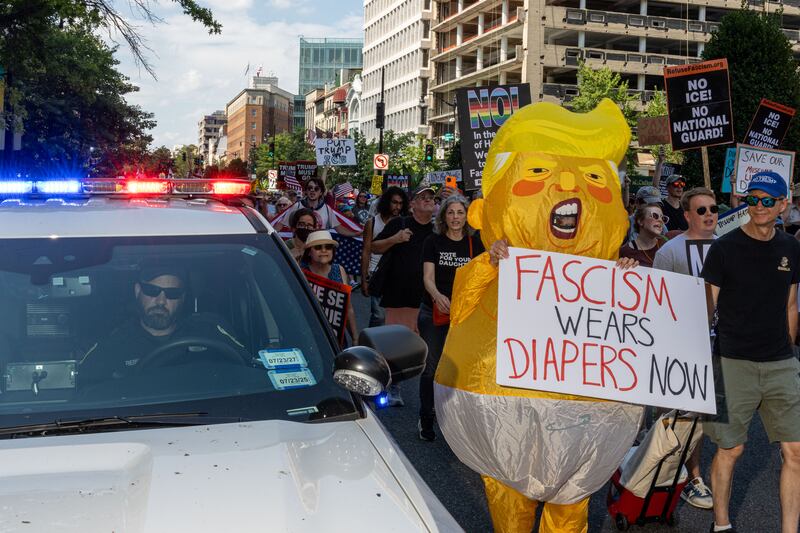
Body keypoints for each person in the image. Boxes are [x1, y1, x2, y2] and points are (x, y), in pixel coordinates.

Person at [701, 171, 800, 533]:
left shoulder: (791, 248)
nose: (758, 207)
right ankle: (722, 524)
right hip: (732, 362)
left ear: (782, 205)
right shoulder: (724, 248)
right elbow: (706, 306)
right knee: (731, 450)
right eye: (752, 199)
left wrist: (788, 349)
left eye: (767, 200)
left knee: (796, 453)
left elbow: (791, 304)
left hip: (780, 365)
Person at [652, 187, 718, 510]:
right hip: (680, 343)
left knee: (702, 417)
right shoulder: (671, 251)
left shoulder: (726, 247)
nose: (709, 215)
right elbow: (657, 300)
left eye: (712, 209)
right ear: (687, 215)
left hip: (718, 342)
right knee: (680, 413)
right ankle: (684, 475)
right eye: (701, 210)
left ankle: (689, 474)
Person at [79, 264, 247, 384]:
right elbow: (86, 395)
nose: (161, 301)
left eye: (172, 293)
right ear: (138, 291)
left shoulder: (209, 331)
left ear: (183, 298)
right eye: (152, 291)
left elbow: (250, 370)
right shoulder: (112, 347)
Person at [417, 194, 484, 441]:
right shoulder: (432, 241)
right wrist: (437, 296)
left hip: (464, 314)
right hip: (434, 312)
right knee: (431, 367)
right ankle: (426, 417)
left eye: (460, 212)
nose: (456, 217)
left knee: (459, 369)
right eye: (451, 212)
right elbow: (427, 278)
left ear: (467, 216)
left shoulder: (475, 244)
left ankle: (454, 418)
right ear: (443, 216)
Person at [371, 185, 437, 406]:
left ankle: (430, 400)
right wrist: (396, 239)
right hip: (398, 295)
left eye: (431, 198)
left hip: (428, 299)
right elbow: (374, 247)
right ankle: (393, 387)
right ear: (413, 204)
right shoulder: (400, 224)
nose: (428, 200)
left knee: (428, 349)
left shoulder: (438, 230)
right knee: (396, 347)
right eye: (423, 197)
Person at [360, 186, 408, 328]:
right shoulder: (372, 223)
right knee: (379, 315)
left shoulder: (404, 222)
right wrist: (364, 279)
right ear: (386, 202)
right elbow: (366, 251)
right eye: (394, 202)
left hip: (396, 275)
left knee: (391, 317)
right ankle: (369, 341)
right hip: (376, 273)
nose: (397, 207)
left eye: (400, 203)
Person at [301, 230, 359, 342]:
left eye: (328, 247)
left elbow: (348, 308)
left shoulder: (339, 270)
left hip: (336, 336)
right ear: (309, 252)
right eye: (318, 247)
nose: (324, 250)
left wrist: (355, 337)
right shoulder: (301, 272)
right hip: (310, 335)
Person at [275, 178, 361, 236]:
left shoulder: (327, 209)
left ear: (320, 192)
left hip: (317, 250)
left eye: (316, 189)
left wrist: (356, 234)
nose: (312, 190)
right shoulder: (297, 206)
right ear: (306, 191)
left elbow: (339, 229)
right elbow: (280, 225)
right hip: (301, 248)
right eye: (310, 188)